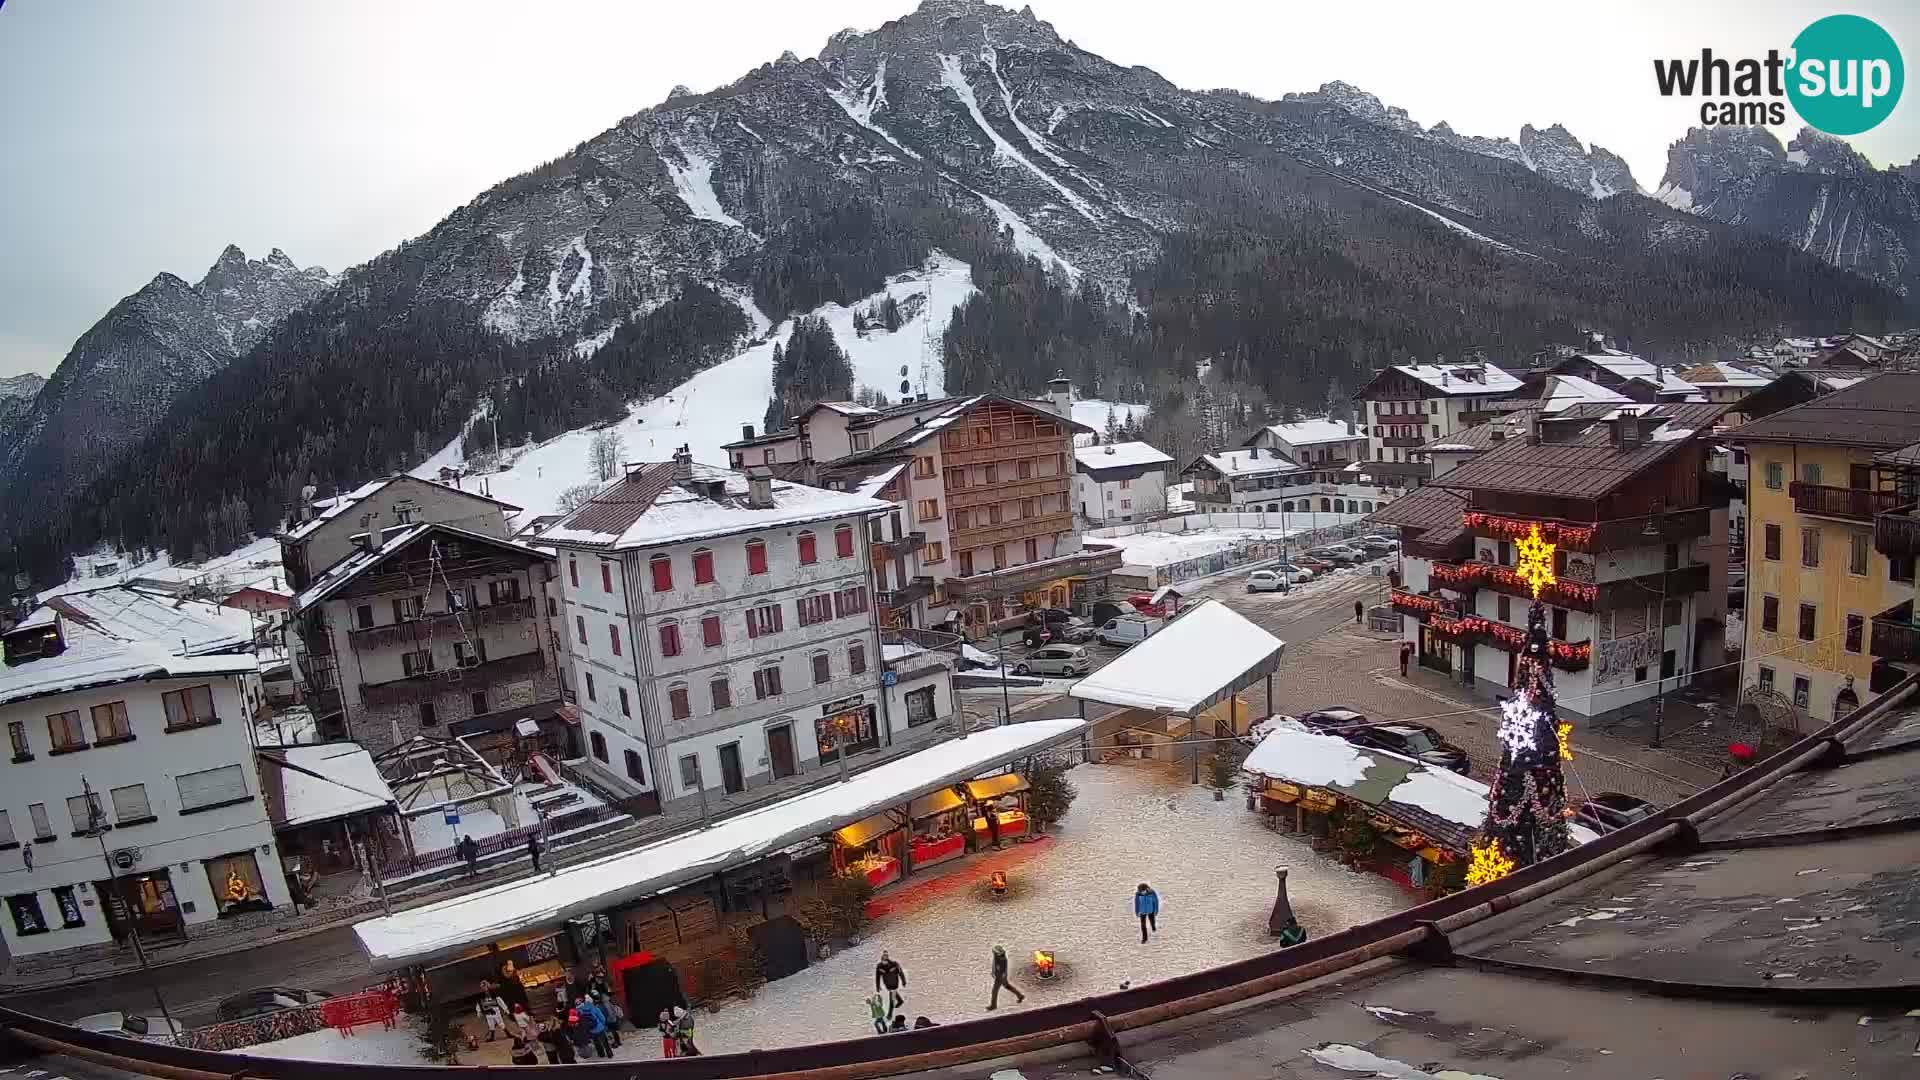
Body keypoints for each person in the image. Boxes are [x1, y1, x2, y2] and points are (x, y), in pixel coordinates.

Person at [575, 994, 611, 1059]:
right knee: (605, 1042)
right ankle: (609, 1054)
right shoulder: (593, 1008)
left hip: (591, 1029)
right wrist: (602, 1024)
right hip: (600, 1028)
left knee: (596, 1042)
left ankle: (601, 1054)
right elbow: (602, 1018)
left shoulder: (579, 1012)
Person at [988, 945, 1024, 1010]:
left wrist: (999, 976)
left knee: (995, 991)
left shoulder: (1002, 959)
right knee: (1007, 986)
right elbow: (995, 965)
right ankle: (1020, 995)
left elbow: (1002, 969)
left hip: (1000, 977)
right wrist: (994, 972)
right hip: (1000, 976)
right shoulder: (997, 957)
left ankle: (993, 1005)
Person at [874, 950, 908, 1017]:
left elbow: (900, 973)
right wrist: (878, 987)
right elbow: (877, 977)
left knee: (892, 998)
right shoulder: (879, 966)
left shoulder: (894, 964)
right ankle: (900, 1000)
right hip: (887, 984)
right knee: (893, 993)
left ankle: (890, 1014)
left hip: (894, 983)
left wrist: (903, 981)